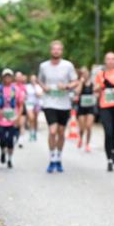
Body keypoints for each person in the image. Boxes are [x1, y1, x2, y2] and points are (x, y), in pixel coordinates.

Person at [38, 40, 78, 173]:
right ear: (50, 51)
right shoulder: (44, 66)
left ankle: (59, 158)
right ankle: (52, 158)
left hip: (64, 104)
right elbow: (40, 80)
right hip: (49, 102)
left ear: (62, 51)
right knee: (52, 131)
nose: (56, 51)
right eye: (54, 49)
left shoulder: (68, 65)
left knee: (61, 132)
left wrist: (66, 86)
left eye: (58, 49)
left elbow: (75, 81)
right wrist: (44, 87)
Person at [0, 68, 25, 169]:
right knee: (2, 139)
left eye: (9, 76)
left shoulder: (16, 89)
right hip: (0, 119)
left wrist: (18, 118)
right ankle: (2, 151)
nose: (7, 78)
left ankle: (9, 158)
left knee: (10, 140)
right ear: (3, 77)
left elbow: (21, 105)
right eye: (5, 76)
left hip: (12, 119)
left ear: (12, 78)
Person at [75, 66, 96, 152]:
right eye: (82, 73)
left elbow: (96, 92)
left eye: (86, 72)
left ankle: (87, 144)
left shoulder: (92, 83)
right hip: (81, 107)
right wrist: (81, 82)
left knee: (89, 126)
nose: (85, 74)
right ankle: (80, 138)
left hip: (90, 107)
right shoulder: (79, 82)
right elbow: (77, 92)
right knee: (82, 127)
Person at [25, 73, 42, 141]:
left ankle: (34, 132)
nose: (33, 80)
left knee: (35, 119)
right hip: (29, 103)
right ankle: (31, 132)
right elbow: (24, 94)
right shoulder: (27, 86)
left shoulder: (38, 86)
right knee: (31, 118)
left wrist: (35, 88)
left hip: (37, 104)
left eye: (34, 79)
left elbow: (40, 95)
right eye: (32, 79)